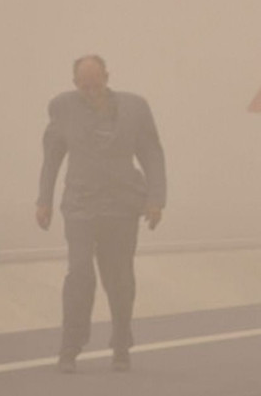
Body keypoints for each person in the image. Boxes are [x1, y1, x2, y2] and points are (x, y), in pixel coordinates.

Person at [36, 54, 166, 373]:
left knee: (119, 278)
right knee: (79, 273)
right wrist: (44, 200)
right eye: (84, 86)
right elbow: (52, 156)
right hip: (80, 206)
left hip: (121, 207)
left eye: (96, 83)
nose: (91, 90)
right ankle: (70, 348)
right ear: (75, 84)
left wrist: (156, 198)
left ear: (108, 76)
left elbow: (151, 151)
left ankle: (121, 342)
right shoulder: (62, 108)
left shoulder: (136, 108)